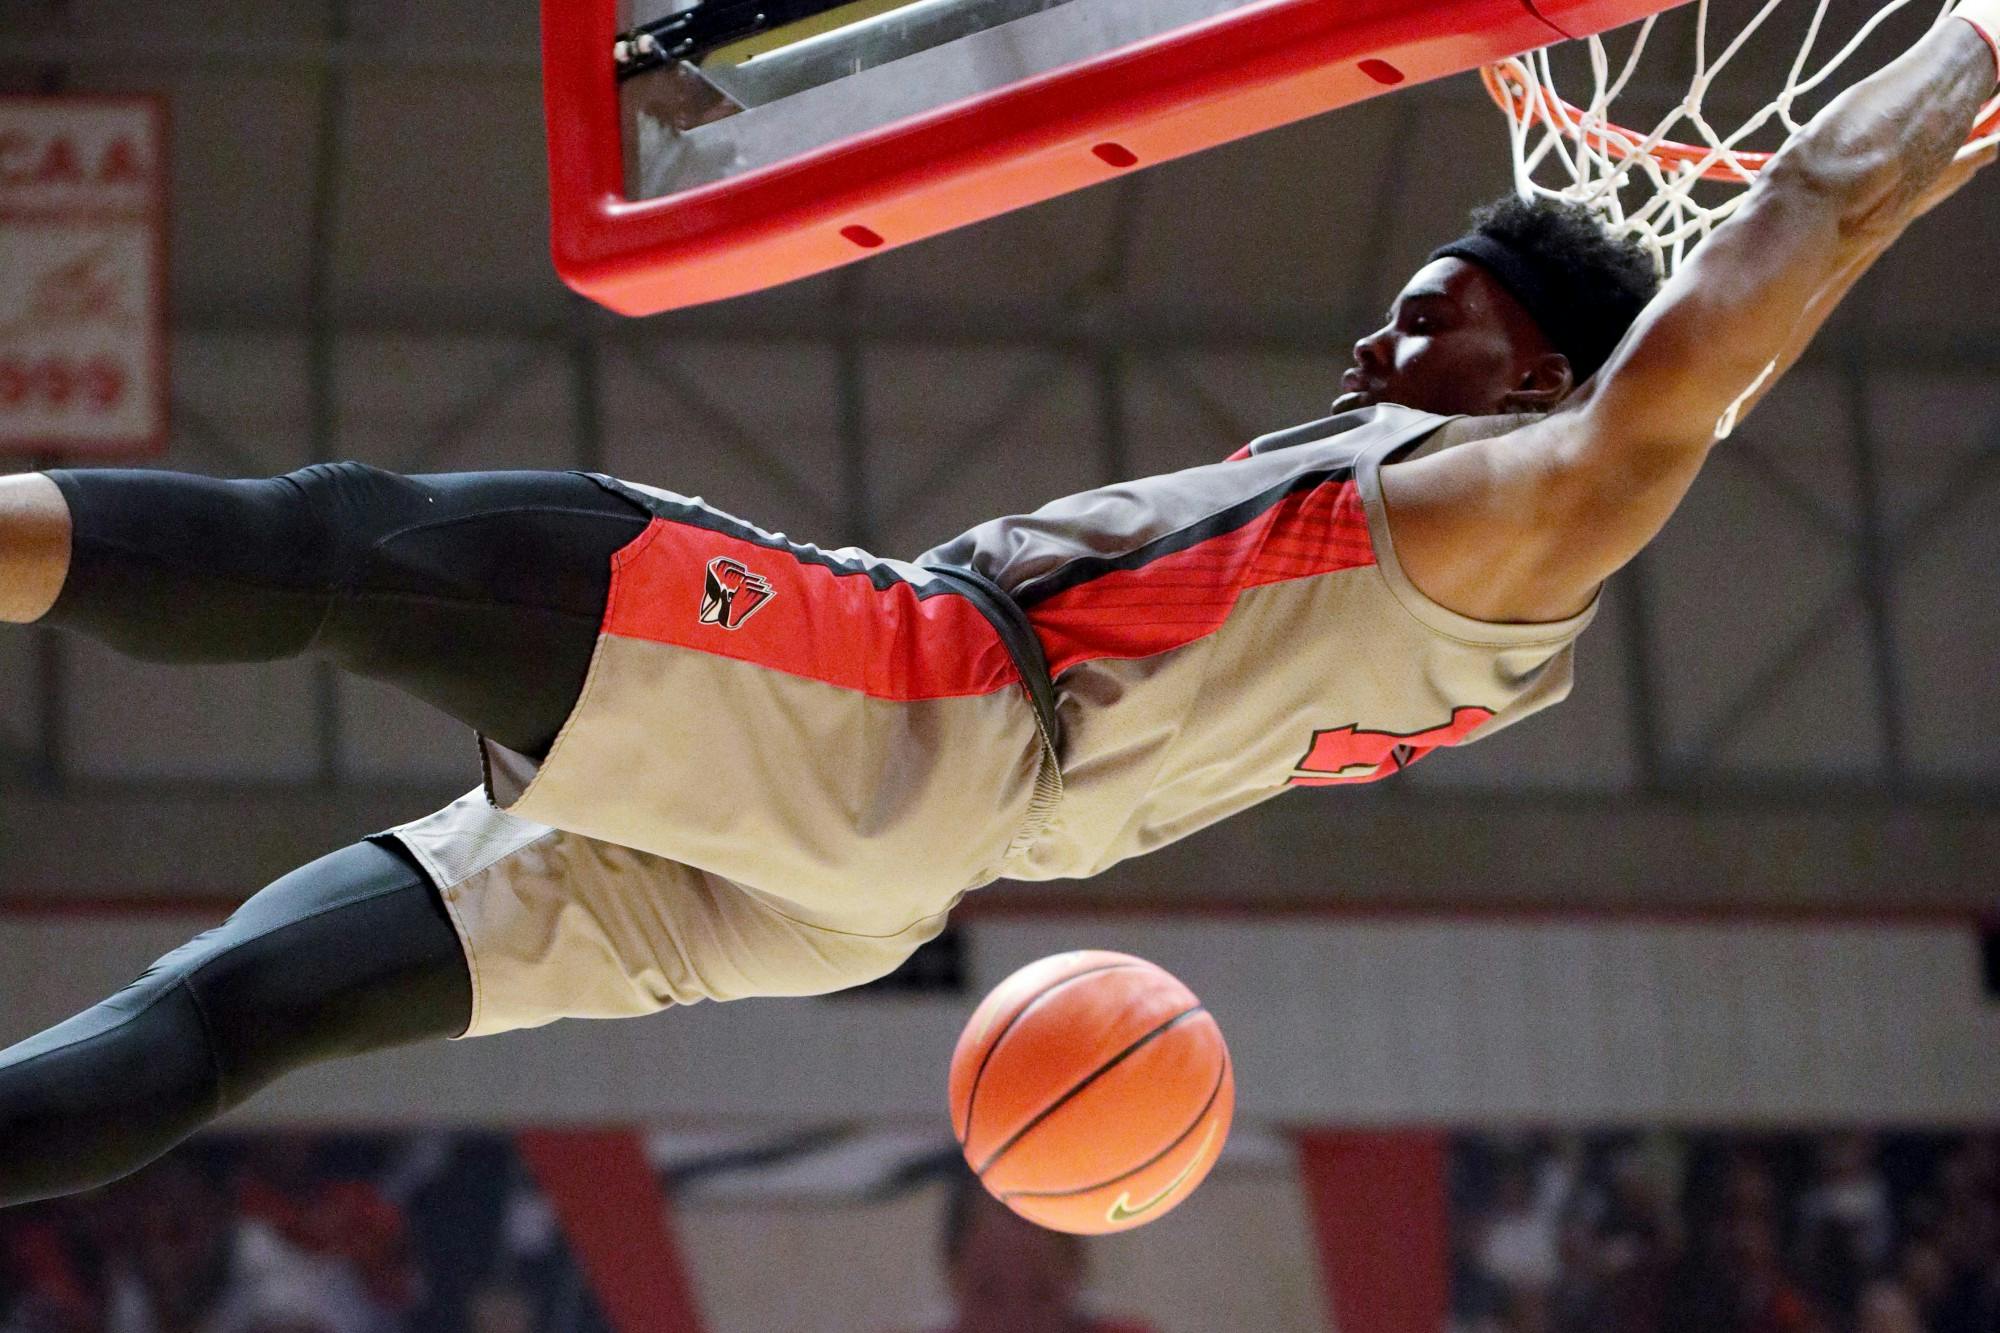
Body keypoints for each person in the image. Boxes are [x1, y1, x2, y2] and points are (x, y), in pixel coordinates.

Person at [3, 4, 1997, 1208]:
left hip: (914, 715)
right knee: (236, 1006)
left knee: (351, 550)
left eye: (1446, 293)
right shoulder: (1429, 547)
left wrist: (1967, 55)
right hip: (872, 860)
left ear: (1545, 377)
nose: (1379, 315)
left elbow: (1788, 234)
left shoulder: (1519, 519)